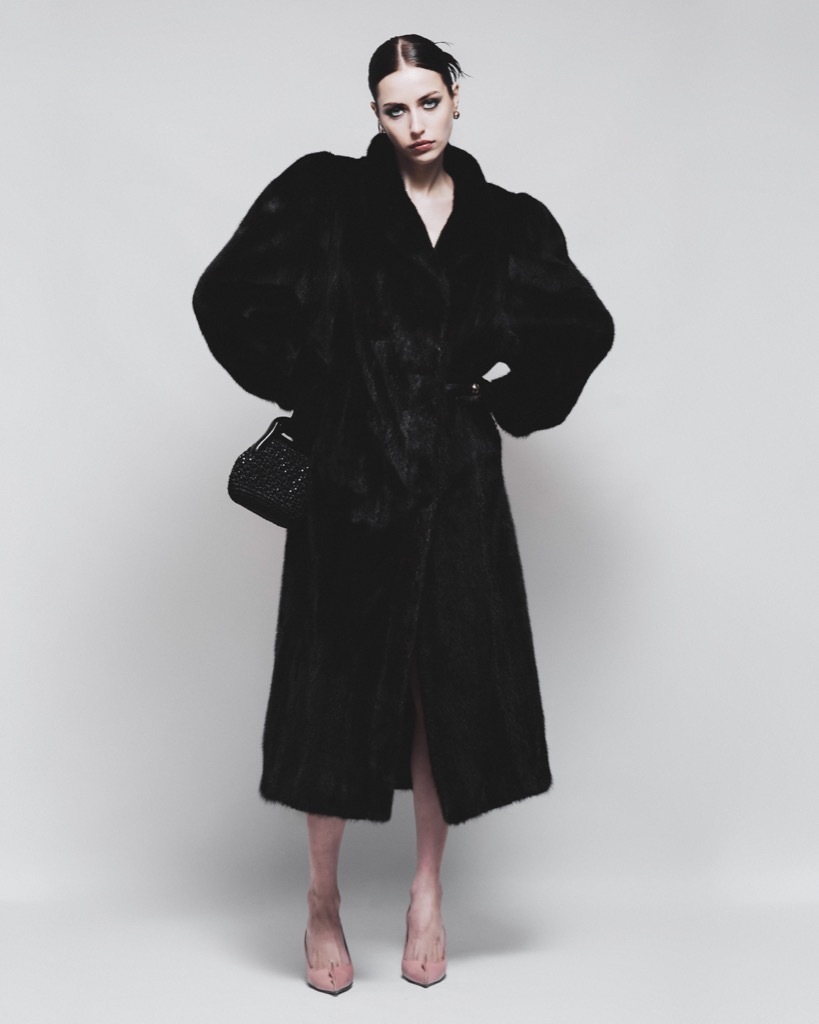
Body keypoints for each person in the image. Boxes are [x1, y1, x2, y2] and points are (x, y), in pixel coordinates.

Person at [193, 34, 614, 995]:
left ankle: (427, 893)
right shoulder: (325, 197)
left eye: (429, 102)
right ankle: (321, 898)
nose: (415, 124)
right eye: (395, 108)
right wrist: (325, 393)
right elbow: (225, 299)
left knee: (440, 690)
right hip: (353, 478)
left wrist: (500, 402)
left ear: (456, 97)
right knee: (333, 688)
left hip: (456, 483)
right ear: (374, 114)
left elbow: (580, 328)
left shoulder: (506, 222)